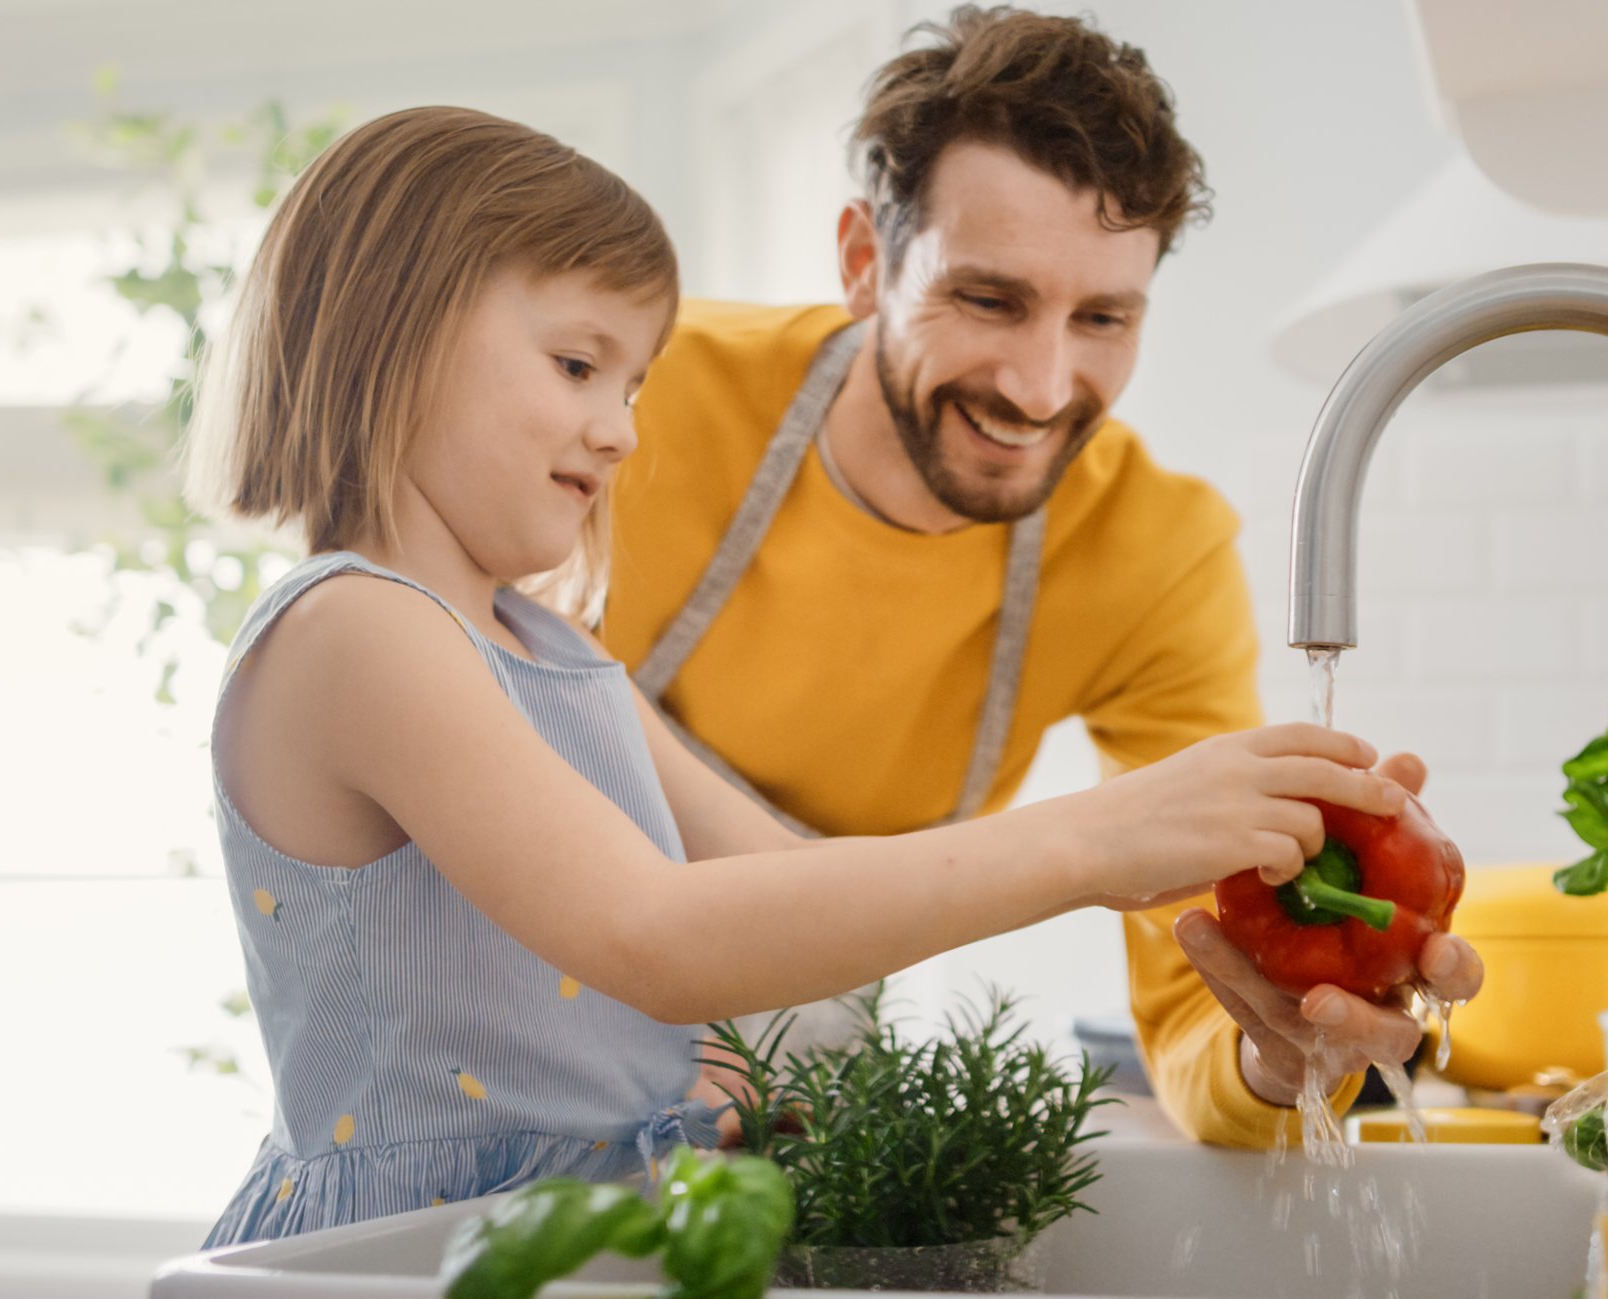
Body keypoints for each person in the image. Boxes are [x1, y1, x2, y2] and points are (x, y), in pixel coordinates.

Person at [184, 104, 1406, 1246]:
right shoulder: (360, 631)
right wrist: (1089, 842)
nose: (621, 427)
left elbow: (792, 897)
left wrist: (1264, 885)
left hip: (583, 1242)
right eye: (575, 367)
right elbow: (654, 934)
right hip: (395, 1255)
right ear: (394, 331)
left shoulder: (549, 653)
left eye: (633, 384)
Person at [600, 3, 1481, 1150]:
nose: (1039, 385)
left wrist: (1278, 1055)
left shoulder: (1150, 553)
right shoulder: (641, 397)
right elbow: (486, 694)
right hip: (497, 1058)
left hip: (776, 1117)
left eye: (1102, 316)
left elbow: (1186, 1009)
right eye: (988, 299)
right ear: (867, 261)